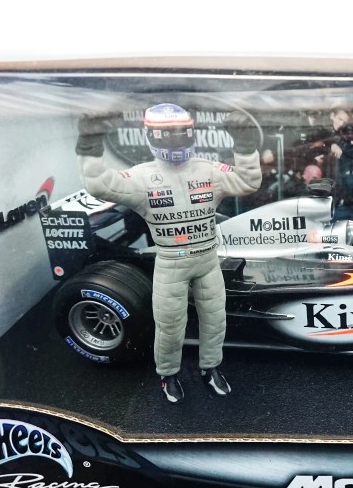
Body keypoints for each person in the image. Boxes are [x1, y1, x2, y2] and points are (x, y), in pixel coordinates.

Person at [75, 103, 261, 403]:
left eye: (181, 132)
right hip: (171, 263)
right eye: (165, 134)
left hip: (207, 260)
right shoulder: (142, 177)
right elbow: (99, 184)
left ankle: (210, 368)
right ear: (151, 136)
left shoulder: (207, 169)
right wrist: (90, 141)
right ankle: (168, 375)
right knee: (170, 327)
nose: (175, 141)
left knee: (215, 322)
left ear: (192, 132)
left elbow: (248, 181)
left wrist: (244, 144)